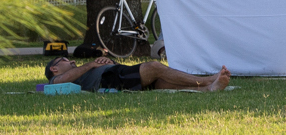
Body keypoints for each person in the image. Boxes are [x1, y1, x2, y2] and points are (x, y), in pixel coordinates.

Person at [45, 54, 231, 92]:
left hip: (115, 72)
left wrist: (110, 62)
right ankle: (207, 80)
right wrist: (92, 64)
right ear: (54, 68)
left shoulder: (82, 70)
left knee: (160, 82)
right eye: (65, 60)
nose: (71, 61)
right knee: (153, 67)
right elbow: (60, 81)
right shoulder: (55, 79)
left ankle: (208, 89)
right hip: (108, 78)